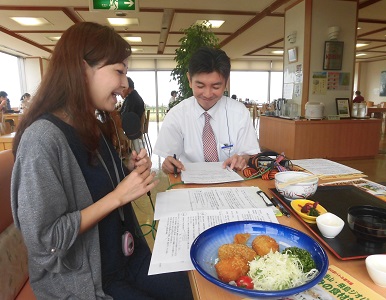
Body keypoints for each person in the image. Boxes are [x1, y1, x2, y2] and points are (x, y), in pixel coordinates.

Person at [11, 22, 193, 300]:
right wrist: (119, 196)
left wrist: (127, 172)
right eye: (119, 71)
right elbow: (45, 241)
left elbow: (95, 184)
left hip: (126, 260)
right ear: (83, 70)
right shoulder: (42, 140)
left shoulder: (92, 124)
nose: (124, 84)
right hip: (88, 282)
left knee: (194, 288)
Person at [154, 46, 260, 175]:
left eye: (216, 86)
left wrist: (242, 159)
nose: (208, 94)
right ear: (189, 80)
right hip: (190, 183)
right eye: (200, 86)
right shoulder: (177, 115)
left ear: (226, 82)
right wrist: (168, 166)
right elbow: (168, 161)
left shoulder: (239, 112)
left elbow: (249, 153)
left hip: (231, 182)